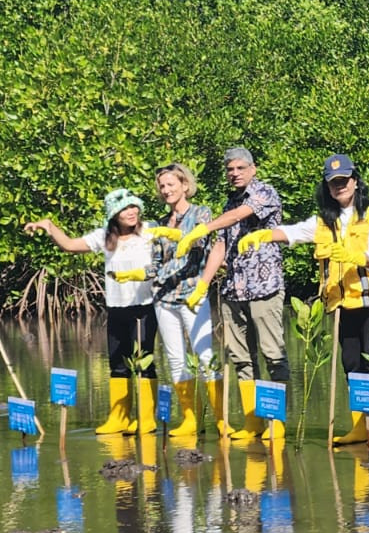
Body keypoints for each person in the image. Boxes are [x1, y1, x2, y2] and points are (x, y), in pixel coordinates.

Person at [239, 154, 369, 445]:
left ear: (355, 181)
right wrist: (263, 235)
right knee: (351, 363)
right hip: (342, 303)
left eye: (344, 181)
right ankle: (361, 427)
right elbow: (295, 232)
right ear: (327, 187)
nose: (340, 187)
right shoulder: (325, 220)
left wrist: (353, 256)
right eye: (333, 183)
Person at [25, 190, 159, 435]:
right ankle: (119, 418)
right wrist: (49, 227)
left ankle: (146, 418)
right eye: (124, 209)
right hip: (116, 309)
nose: (131, 212)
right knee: (118, 363)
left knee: (144, 362)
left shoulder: (151, 231)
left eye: (134, 207)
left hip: (144, 307)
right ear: (113, 214)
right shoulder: (104, 236)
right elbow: (69, 246)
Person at [177, 147, 288, 441]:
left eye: (240, 168)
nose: (235, 173)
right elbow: (221, 246)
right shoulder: (228, 203)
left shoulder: (265, 192)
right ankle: (253, 422)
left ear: (253, 169)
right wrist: (203, 282)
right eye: (230, 169)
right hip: (234, 289)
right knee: (241, 358)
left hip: (264, 287)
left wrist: (202, 228)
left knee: (272, 353)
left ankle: (277, 421)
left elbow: (243, 214)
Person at [144, 163, 224, 437]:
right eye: (162, 186)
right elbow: (155, 264)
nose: (166, 190)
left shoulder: (201, 213)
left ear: (185, 186)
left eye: (171, 184)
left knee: (205, 357)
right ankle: (190, 420)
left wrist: (176, 235)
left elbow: (198, 242)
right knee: (176, 360)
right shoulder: (159, 223)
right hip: (164, 299)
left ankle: (221, 420)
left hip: (193, 295)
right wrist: (131, 274)